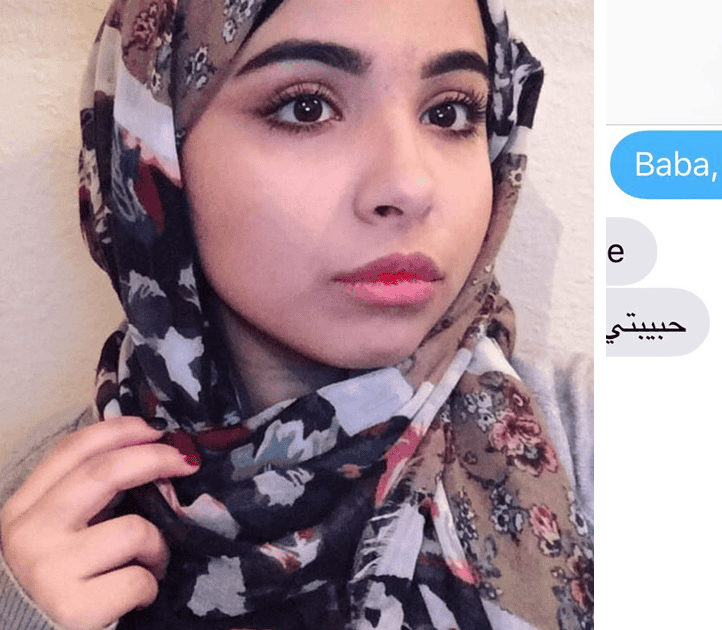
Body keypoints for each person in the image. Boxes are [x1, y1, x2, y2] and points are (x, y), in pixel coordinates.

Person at [0, 0, 593, 628]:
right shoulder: (50, 523)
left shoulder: (603, 447)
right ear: (152, 149)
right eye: (305, 108)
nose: (409, 187)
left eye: (449, 113)